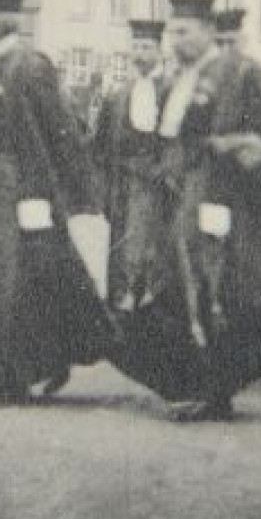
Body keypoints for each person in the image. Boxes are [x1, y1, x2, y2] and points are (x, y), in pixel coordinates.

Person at [115, 0, 261, 421]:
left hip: (231, 202)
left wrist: (243, 148)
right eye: (172, 32)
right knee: (178, 293)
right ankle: (197, 386)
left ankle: (216, 390)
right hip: (182, 200)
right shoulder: (175, 82)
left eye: (183, 32)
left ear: (208, 32)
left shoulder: (244, 74)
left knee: (224, 294)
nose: (174, 41)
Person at [0, 0, 115, 406]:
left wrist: (78, 195)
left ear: (4, 21)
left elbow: (61, 132)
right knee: (27, 277)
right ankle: (44, 362)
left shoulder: (29, 66)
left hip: (27, 188)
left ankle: (9, 378)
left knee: (14, 280)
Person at [91, 19, 170, 315]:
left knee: (155, 258)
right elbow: (99, 147)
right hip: (124, 187)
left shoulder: (172, 90)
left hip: (161, 188)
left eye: (147, 47)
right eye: (135, 46)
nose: (140, 53)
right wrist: (103, 190)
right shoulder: (119, 94)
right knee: (123, 255)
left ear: (160, 50)